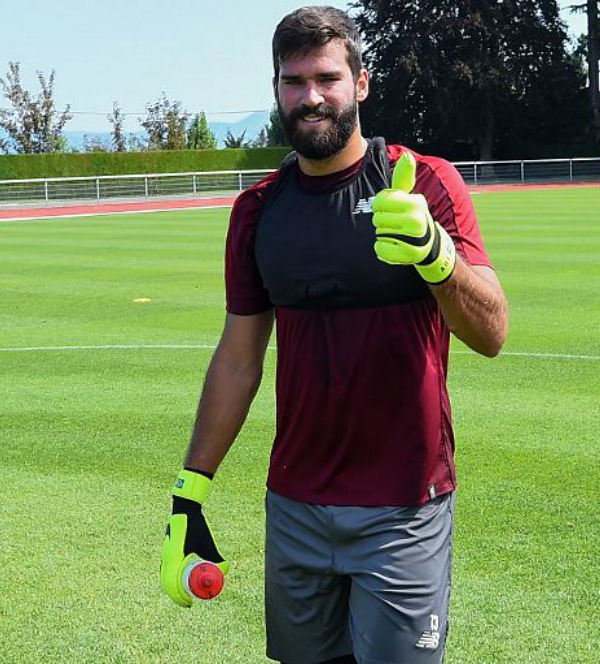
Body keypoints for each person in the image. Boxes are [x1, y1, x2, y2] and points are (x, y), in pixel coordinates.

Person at [159, 6, 509, 663]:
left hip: (403, 507)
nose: (311, 96)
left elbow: (491, 331)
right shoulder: (259, 212)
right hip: (295, 507)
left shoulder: (424, 183)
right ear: (277, 91)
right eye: (294, 82)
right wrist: (191, 492)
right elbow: (239, 358)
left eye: (327, 77)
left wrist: (436, 256)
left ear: (362, 83)